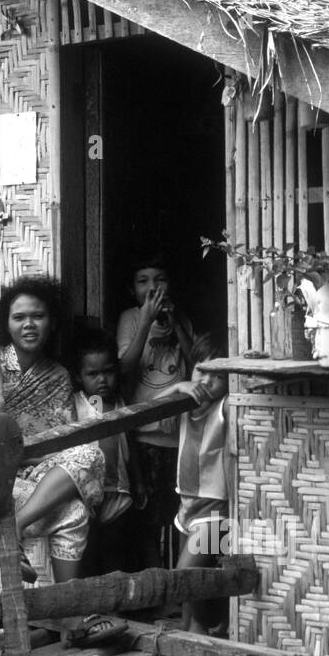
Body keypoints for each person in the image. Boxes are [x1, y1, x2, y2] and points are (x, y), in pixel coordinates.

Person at [0, 277, 104, 585]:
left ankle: (14, 527)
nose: (29, 324)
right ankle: (69, 612)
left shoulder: (58, 376)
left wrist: (37, 453)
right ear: (6, 323)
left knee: (88, 453)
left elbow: (63, 442)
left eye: (38, 316)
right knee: (74, 512)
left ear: (51, 321)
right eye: (19, 317)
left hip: (42, 475)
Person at [116, 251, 195, 568]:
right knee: (147, 516)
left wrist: (175, 325)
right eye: (143, 281)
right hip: (144, 435)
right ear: (131, 289)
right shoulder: (130, 318)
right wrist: (146, 324)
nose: (152, 287)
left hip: (179, 436)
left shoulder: (181, 318)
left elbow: (197, 363)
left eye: (159, 280)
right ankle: (154, 583)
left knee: (177, 513)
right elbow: (124, 369)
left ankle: (177, 580)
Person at [156, 338, 230, 635]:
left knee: (185, 576)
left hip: (217, 508)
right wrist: (177, 387)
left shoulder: (228, 405)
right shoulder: (186, 403)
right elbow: (151, 410)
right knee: (192, 587)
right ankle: (193, 641)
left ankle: (208, 624)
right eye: (202, 371)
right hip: (187, 504)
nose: (208, 381)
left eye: (219, 376)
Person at [74, 328, 145, 575]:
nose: (102, 380)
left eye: (108, 372)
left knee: (116, 554)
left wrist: (138, 483)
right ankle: (91, 609)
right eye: (92, 374)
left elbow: (130, 445)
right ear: (79, 376)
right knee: (88, 553)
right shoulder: (76, 404)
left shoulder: (121, 404)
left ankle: (115, 608)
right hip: (87, 495)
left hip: (120, 492)